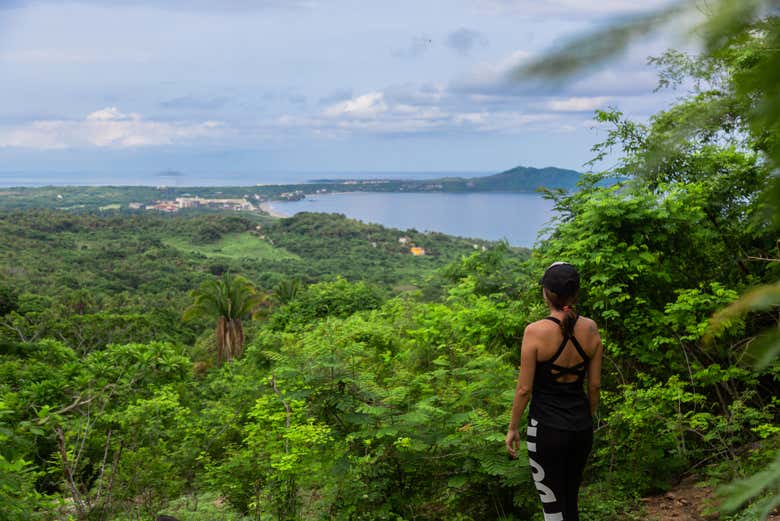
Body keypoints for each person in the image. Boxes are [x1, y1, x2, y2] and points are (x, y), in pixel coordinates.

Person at [505, 262, 603, 521]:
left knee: (552, 507)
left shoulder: (535, 332)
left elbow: (524, 389)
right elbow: (594, 386)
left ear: (547, 293)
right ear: (576, 293)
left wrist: (513, 427)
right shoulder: (591, 329)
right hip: (581, 428)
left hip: (547, 428)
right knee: (570, 502)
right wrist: (585, 415)